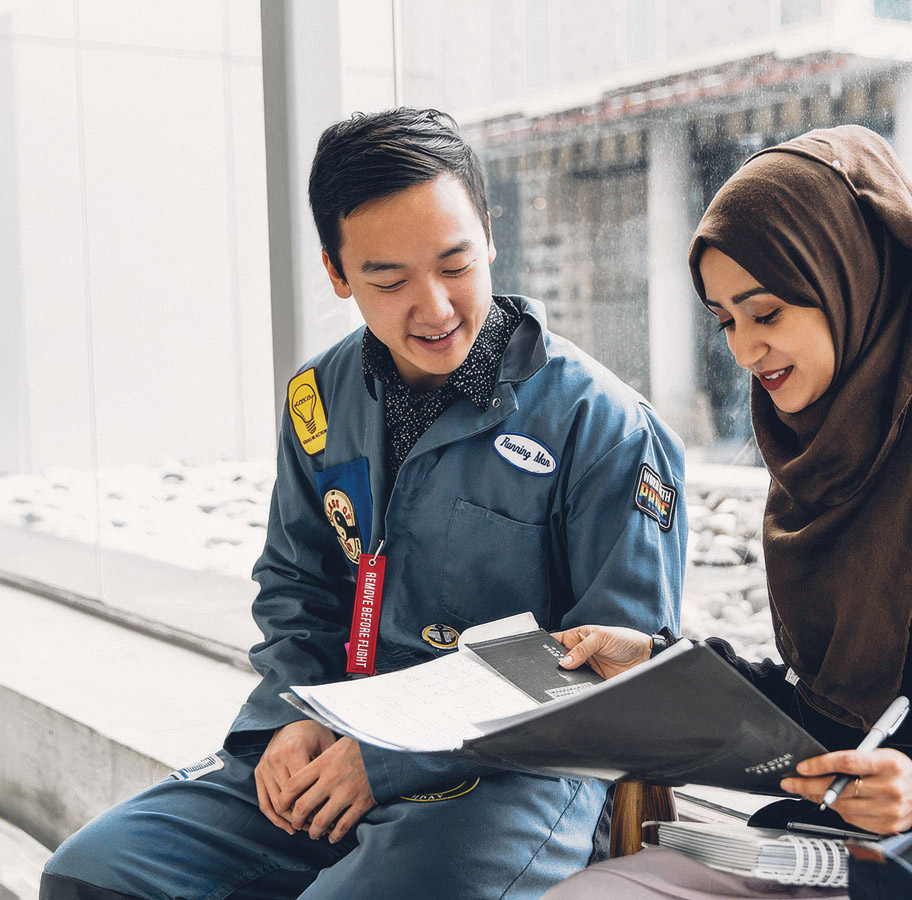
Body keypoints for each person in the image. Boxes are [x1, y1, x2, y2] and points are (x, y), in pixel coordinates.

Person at [41, 107, 687, 900]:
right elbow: (297, 587)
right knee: (94, 875)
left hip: (513, 769)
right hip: (337, 731)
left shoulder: (607, 428)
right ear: (338, 273)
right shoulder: (319, 397)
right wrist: (287, 719)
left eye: (455, 263)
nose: (437, 307)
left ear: (490, 235)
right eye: (389, 279)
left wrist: (390, 760)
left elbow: (618, 672)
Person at [545, 124, 912, 895]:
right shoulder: (817, 463)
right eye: (726, 321)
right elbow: (824, 712)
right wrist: (661, 665)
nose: (742, 350)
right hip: (822, 852)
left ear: (849, 279)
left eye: (766, 314)